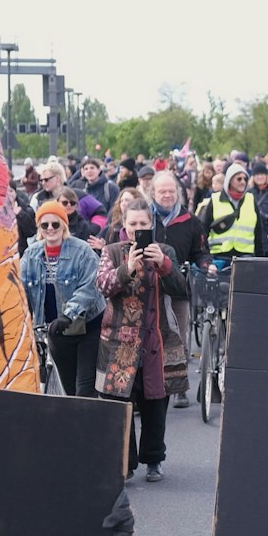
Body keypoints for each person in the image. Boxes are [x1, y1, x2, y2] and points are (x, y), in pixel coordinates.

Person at [96, 202, 173, 481]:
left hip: (155, 339)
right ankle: (124, 464)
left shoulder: (163, 251)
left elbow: (180, 288)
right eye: (133, 225)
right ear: (123, 226)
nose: (138, 230)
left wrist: (163, 264)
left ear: (150, 225)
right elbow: (103, 285)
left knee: (155, 402)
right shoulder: (111, 251)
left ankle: (154, 459)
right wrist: (127, 268)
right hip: (119, 342)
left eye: (143, 225)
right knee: (120, 403)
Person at [19, 200, 103, 397]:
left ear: (64, 225)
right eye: (44, 224)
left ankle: (87, 425)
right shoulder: (31, 255)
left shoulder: (82, 251)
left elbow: (90, 287)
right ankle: (75, 425)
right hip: (55, 330)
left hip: (88, 326)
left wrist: (68, 314)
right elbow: (18, 287)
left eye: (55, 224)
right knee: (68, 387)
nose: (50, 229)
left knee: (85, 387)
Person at [146, 170, 209, 407]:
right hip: (148, 285)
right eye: (162, 191)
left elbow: (201, 251)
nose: (167, 195)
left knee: (178, 334)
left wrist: (206, 265)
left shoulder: (190, 221)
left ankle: (179, 387)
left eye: (172, 191)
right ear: (153, 192)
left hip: (177, 287)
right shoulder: (145, 218)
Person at [204, 162, 260, 265]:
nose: (243, 182)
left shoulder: (251, 200)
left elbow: (258, 232)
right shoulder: (215, 199)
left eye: (245, 179)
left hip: (246, 256)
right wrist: (206, 257)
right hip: (219, 256)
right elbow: (204, 229)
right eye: (239, 179)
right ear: (229, 180)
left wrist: (261, 260)